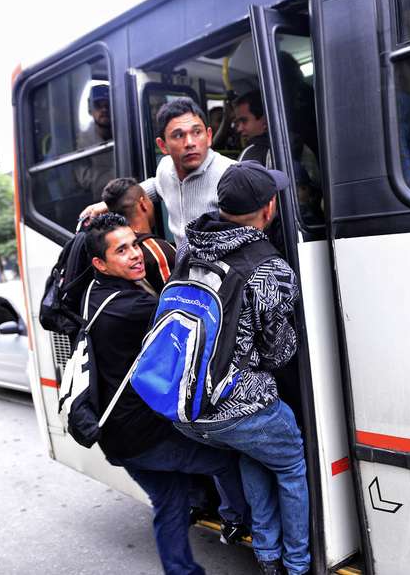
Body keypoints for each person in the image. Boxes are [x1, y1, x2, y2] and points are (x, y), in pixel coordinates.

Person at [84, 214, 249, 575]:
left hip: (115, 438)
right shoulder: (134, 309)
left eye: (134, 244)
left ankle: (181, 571)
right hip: (144, 437)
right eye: (122, 250)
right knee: (226, 459)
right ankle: (238, 520)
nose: (135, 255)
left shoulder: (94, 294)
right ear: (100, 263)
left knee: (170, 502)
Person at [175, 161, 309, 575]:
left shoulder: (187, 247)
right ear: (269, 209)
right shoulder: (271, 270)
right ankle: (298, 563)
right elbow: (277, 354)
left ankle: (268, 556)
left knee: (255, 452)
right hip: (239, 403)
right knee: (289, 463)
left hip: (187, 403)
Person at [80, 97, 235, 247]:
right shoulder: (166, 168)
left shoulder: (231, 175)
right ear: (162, 146)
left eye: (196, 132)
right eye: (179, 135)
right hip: (185, 268)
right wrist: (107, 204)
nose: (190, 143)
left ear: (208, 136)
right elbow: (156, 185)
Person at [101, 177, 176, 295]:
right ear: (142, 204)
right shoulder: (158, 252)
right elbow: (177, 300)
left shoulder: (110, 254)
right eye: (149, 199)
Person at [75, 83, 115, 200]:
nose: (104, 109)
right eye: (98, 105)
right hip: (99, 200)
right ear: (90, 108)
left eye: (108, 105)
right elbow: (84, 179)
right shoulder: (82, 141)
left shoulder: (125, 132)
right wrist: (115, 175)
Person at [235, 90, 272, 167]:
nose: (239, 129)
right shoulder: (292, 145)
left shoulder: (251, 154)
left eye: (244, 121)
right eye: (238, 123)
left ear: (264, 120)